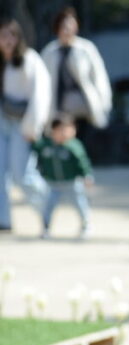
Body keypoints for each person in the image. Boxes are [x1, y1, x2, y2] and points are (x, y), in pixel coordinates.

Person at [0, 16, 49, 234]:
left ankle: (47, 206)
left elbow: (41, 95)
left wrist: (33, 126)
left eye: (11, 35)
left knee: (22, 174)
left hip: (22, 123)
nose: (7, 40)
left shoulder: (30, 60)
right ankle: (4, 220)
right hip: (2, 123)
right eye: (3, 35)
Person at [40, 7, 112, 135]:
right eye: (64, 26)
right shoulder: (49, 52)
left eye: (70, 25)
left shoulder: (86, 49)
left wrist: (104, 103)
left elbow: (99, 78)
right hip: (59, 113)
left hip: (84, 112)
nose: (67, 30)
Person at [33, 115, 92, 239]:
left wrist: (87, 175)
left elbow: (82, 161)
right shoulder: (45, 145)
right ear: (53, 130)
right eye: (62, 129)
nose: (66, 133)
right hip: (53, 183)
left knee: (80, 204)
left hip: (71, 182)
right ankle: (46, 228)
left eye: (70, 129)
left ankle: (85, 225)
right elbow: (34, 148)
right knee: (48, 206)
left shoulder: (73, 145)